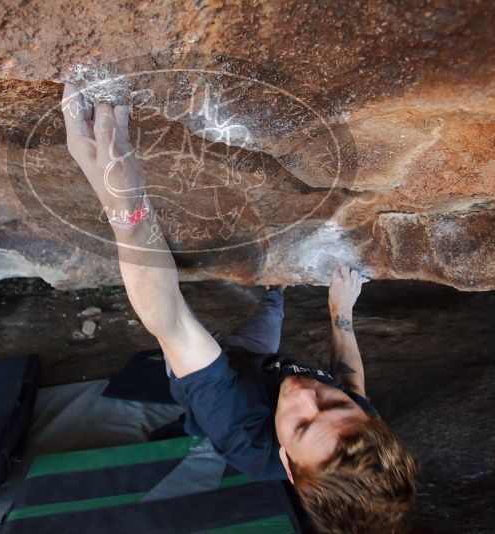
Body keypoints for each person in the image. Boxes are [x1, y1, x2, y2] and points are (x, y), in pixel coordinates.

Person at [62, 83, 418, 533]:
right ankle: (275, 290)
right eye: (333, 405)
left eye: (303, 426)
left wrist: (126, 201)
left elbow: (169, 320)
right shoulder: (360, 433)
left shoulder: (240, 431)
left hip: (218, 375)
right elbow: (351, 381)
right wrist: (340, 310)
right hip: (261, 361)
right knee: (272, 306)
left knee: (193, 325)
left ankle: (100, 159)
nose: (306, 394)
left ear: (287, 465)